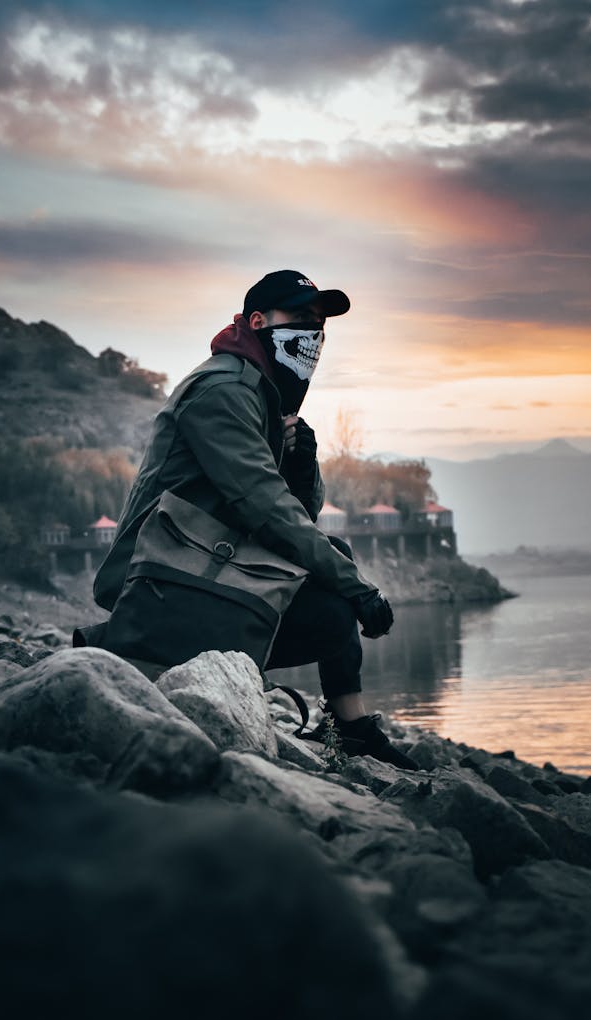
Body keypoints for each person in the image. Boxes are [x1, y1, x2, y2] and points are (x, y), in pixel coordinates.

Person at [91, 270, 418, 770]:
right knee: (335, 607)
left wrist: (303, 465)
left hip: (201, 566)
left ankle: (351, 727)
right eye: (300, 319)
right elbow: (266, 509)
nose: (312, 334)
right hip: (158, 586)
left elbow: (295, 516)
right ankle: (124, 648)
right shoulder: (223, 389)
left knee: (336, 561)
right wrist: (359, 590)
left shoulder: (260, 395)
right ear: (258, 321)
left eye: (319, 324)